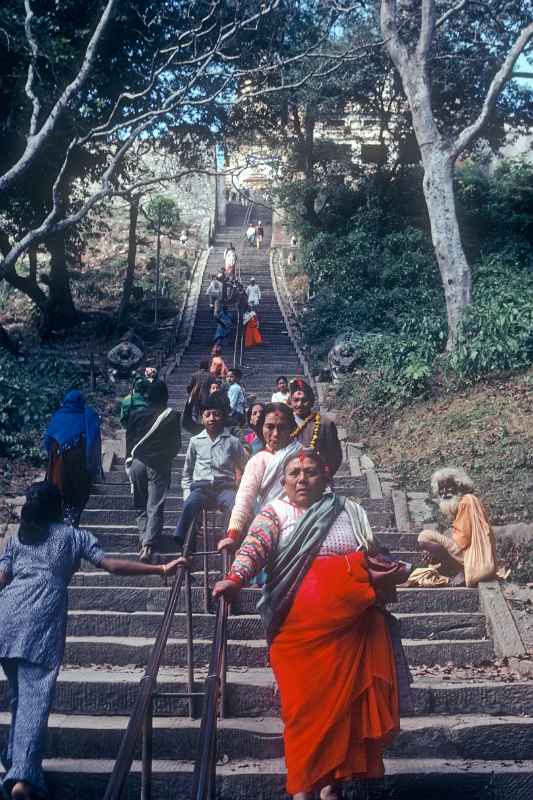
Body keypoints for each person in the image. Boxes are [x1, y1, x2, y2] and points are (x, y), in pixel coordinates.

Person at [213, 451, 400, 800]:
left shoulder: (349, 510)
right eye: (294, 473)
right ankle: (303, 789)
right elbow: (254, 548)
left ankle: (332, 786)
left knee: (345, 711)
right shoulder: (274, 513)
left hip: (353, 631)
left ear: (325, 475)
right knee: (301, 714)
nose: (302, 479)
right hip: (296, 635)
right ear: (282, 481)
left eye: (310, 472)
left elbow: (373, 552)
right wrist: (235, 579)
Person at [0, 481, 183, 800]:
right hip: (40, 618)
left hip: (7, 614)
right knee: (35, 700)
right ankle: (23, 779)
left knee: (20, 697)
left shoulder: (16, 537)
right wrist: (161, 567)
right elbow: (112, 566)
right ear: (59, 507)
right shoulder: (72, 535)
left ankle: (16, 762)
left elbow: (2, 578)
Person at [218, 402, 301, 552]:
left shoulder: (303, 455)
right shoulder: (258, 461)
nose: (275, 433)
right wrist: (233, 534)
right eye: (270, 427)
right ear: (261, 428)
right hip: (270, 527)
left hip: (303, 526)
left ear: (291, 429)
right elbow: (244, 498)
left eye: (282, 427)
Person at [174, 394, 247, 551]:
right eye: (207, 415)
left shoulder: (233, 442)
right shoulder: (195, 441)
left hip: (224, 487)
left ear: (224, 416)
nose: (212, 418)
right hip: (201, 488)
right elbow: (187, 472)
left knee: (234, 504)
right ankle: (183, 543)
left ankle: (232, 539)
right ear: (201, 418)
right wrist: (187, 492)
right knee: (190, 503)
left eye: (216, 414)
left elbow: (244, 467)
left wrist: (240, 488)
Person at [126, 381, 181, 563]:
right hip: (158, 464)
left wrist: (130, 460)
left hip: (137, 462)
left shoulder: (135, 414)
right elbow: (176, 446)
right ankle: (149, 546)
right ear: (166, 396)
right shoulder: (171, 415)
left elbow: (130, 441)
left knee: (140, 504)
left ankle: (143, 540)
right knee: (155, 505)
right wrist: (164, 458)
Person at [418, 467, 498, 587]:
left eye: (448, 487)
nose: (444, 492)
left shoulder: (466, 502)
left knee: (424, 536)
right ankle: (458, 569)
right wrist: (436, 553)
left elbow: (463, 541)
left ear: (459, 486)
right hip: (476, 558)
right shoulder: (467, 501)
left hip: (474, 560)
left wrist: (438, 549)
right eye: (441, 489)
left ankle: (463, 570)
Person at [43, 390, 103, 526]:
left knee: (61, 497)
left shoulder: (58, 416)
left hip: (57, 465)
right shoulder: (89, 416)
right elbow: (94, 443)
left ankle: (64, 524)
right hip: (80, 466)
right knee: (79, 498)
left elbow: (47, 442)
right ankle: (72, 522)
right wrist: (94, 468)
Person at [289, 378, 343, 478]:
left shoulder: (325, 424)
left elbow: (335, 456)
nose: (300, 404)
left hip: (317, 480)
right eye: (296, 400)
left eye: (304, 400)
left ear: (311, 402)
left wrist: (325, 477)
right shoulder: (285, 423)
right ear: (290, 402)